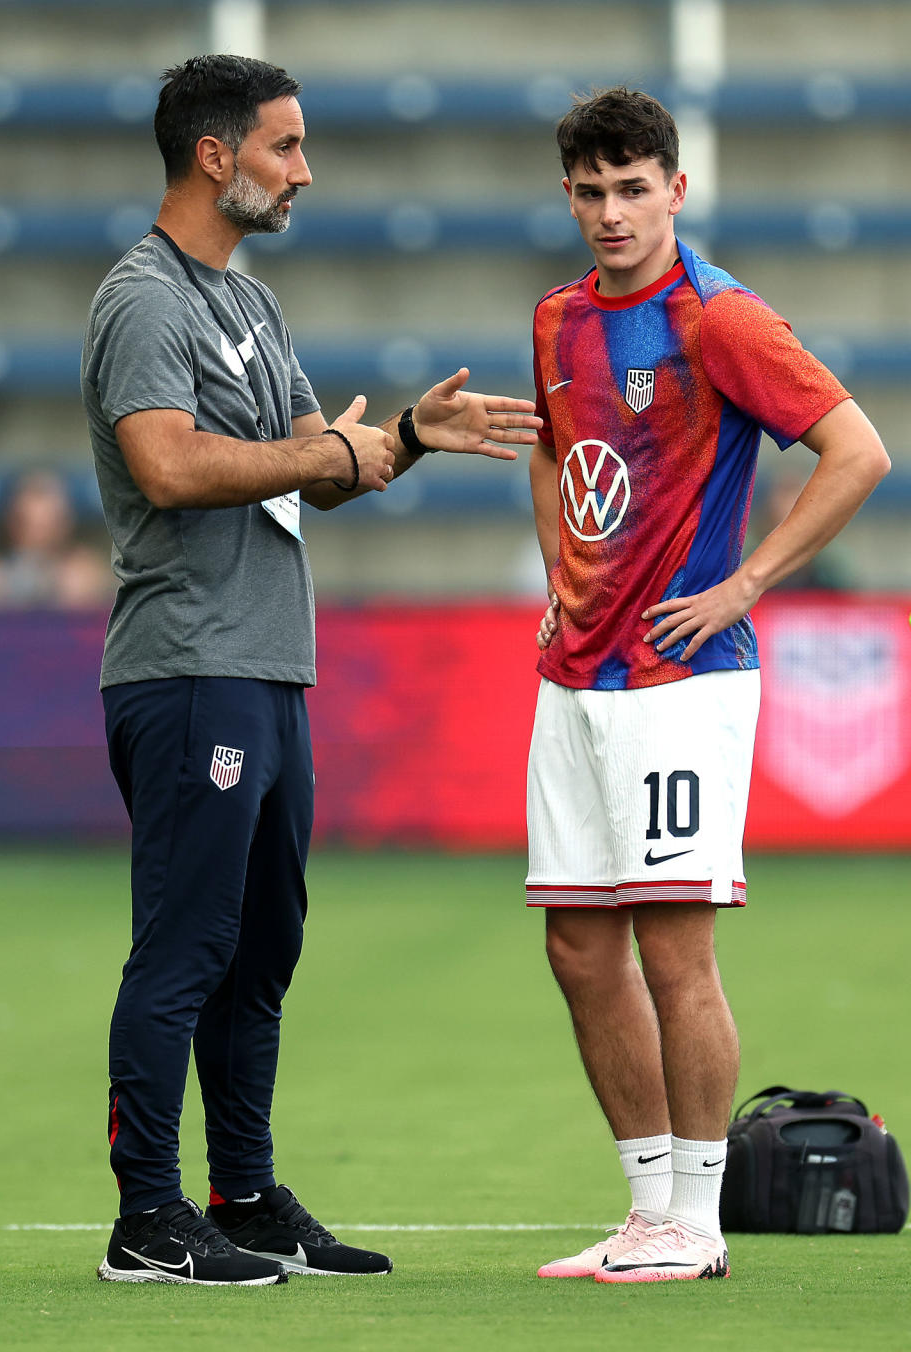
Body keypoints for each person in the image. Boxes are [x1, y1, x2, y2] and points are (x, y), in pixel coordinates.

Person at [81, 54, 541, 1288]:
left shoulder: (250, 304)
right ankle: (144, 1217)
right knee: (186, 945)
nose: (304, 169)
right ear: (215, 156)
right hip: (188, 667)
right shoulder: (145, 301)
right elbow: (173, 467)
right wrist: (316, 447)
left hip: (271, 668)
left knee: (262, 946)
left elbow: (316, 460)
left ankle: (241, 1193)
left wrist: (397, 437)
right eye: (284, 146)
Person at [526, 88, 889, 1284]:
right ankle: (645, 1210)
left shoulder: (718, 317)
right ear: (570, 193)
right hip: (575, 674)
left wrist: (746, 586)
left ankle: (699, 1214)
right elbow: (553, 449)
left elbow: (857, 449)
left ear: (675, 190)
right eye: (593, 191)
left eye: (636, 189)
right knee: (580, 950)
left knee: (675, 949)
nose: (614, 213)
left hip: (682, 678)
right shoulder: (557, 319)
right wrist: (561, 580)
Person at [0, 469, 113, 610]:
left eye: (48, 524)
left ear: (65, 523)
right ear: (10, 521)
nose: (38, 536)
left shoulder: (85, 571)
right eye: (27, 523)